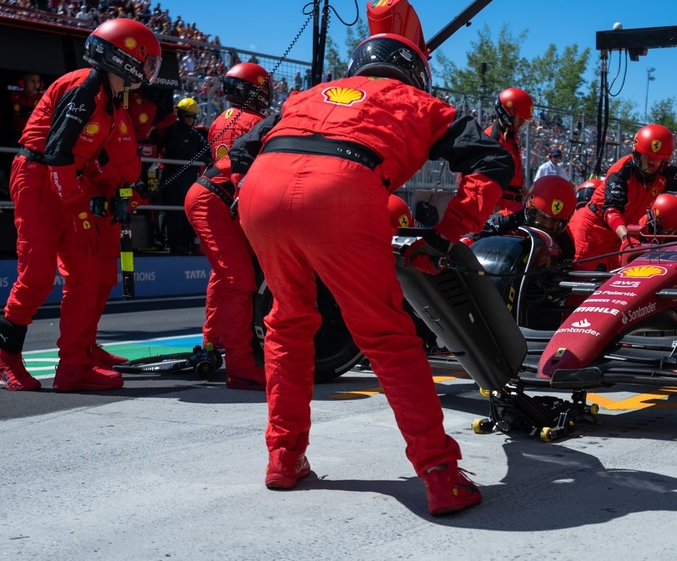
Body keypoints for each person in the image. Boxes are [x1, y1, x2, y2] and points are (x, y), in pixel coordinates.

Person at [235, 33, 513, 515]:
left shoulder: (307, 95)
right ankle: (440, 475)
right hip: (342, 190)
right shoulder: (421, 102)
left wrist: (251, 192)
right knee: (386, 336)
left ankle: (283, 458)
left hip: (263, 190)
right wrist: (447, 234)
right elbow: (494, 161)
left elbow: (240, 153)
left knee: (287, 322)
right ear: (415, 74)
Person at [0, 17, 162, 392]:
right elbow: (56, 152)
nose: (149, 71)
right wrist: (81, 210)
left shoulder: (109, 97)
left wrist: (111, 192)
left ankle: (74, 364)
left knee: (86, 275)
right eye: (147, 61)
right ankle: (6, 358)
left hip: (67, 180)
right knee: (36, 277)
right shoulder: (86, 86)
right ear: (125, 57)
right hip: (39, 178)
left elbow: (90, 158)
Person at [184, 62, 272, 390]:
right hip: (218, 199)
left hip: (211, 195)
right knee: (239, 280)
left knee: (224, 276)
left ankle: (213, 341)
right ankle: (241, 365)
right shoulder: (255, 122)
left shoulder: (221, 119)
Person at [568, 124, 677, 269]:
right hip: (594, 231)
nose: (651, 165)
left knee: (613, 282)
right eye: (646, 158)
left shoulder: (665, 173)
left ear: (664, 162)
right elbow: (612, 210)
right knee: (582, 281)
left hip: (620, 234)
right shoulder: (620, 173)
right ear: (636, 153)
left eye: (657, 161)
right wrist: (626, 238)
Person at [477, 174, 577, 260]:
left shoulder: (565, 241)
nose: (547, 225)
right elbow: (472, 240)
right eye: (543, 217)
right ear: (530, 208)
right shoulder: (507, 218)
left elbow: (568, 268)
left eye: (555, 221)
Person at [156, 98, 208, 254]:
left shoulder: (194, 134)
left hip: (188, 181)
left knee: (186, 212)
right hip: (172, 178)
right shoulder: (172, 130)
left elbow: (207, 150)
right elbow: (179, 152)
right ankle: (173, 245)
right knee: (173, 213)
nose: (190, 119)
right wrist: (200, 158)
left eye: (193, 117)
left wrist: (205, 158)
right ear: (179, 114)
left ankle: (186, 245)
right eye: (187, 116)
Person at [474, 87, 532, 213]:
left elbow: (517, 179)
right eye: (520, 119)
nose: (521, 124)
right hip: (499, 207)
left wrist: (530, 198)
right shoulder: (491, 138)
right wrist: (493, 212)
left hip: (515, 205)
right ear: (508, 114)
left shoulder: (513, 139)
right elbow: (483, 180)